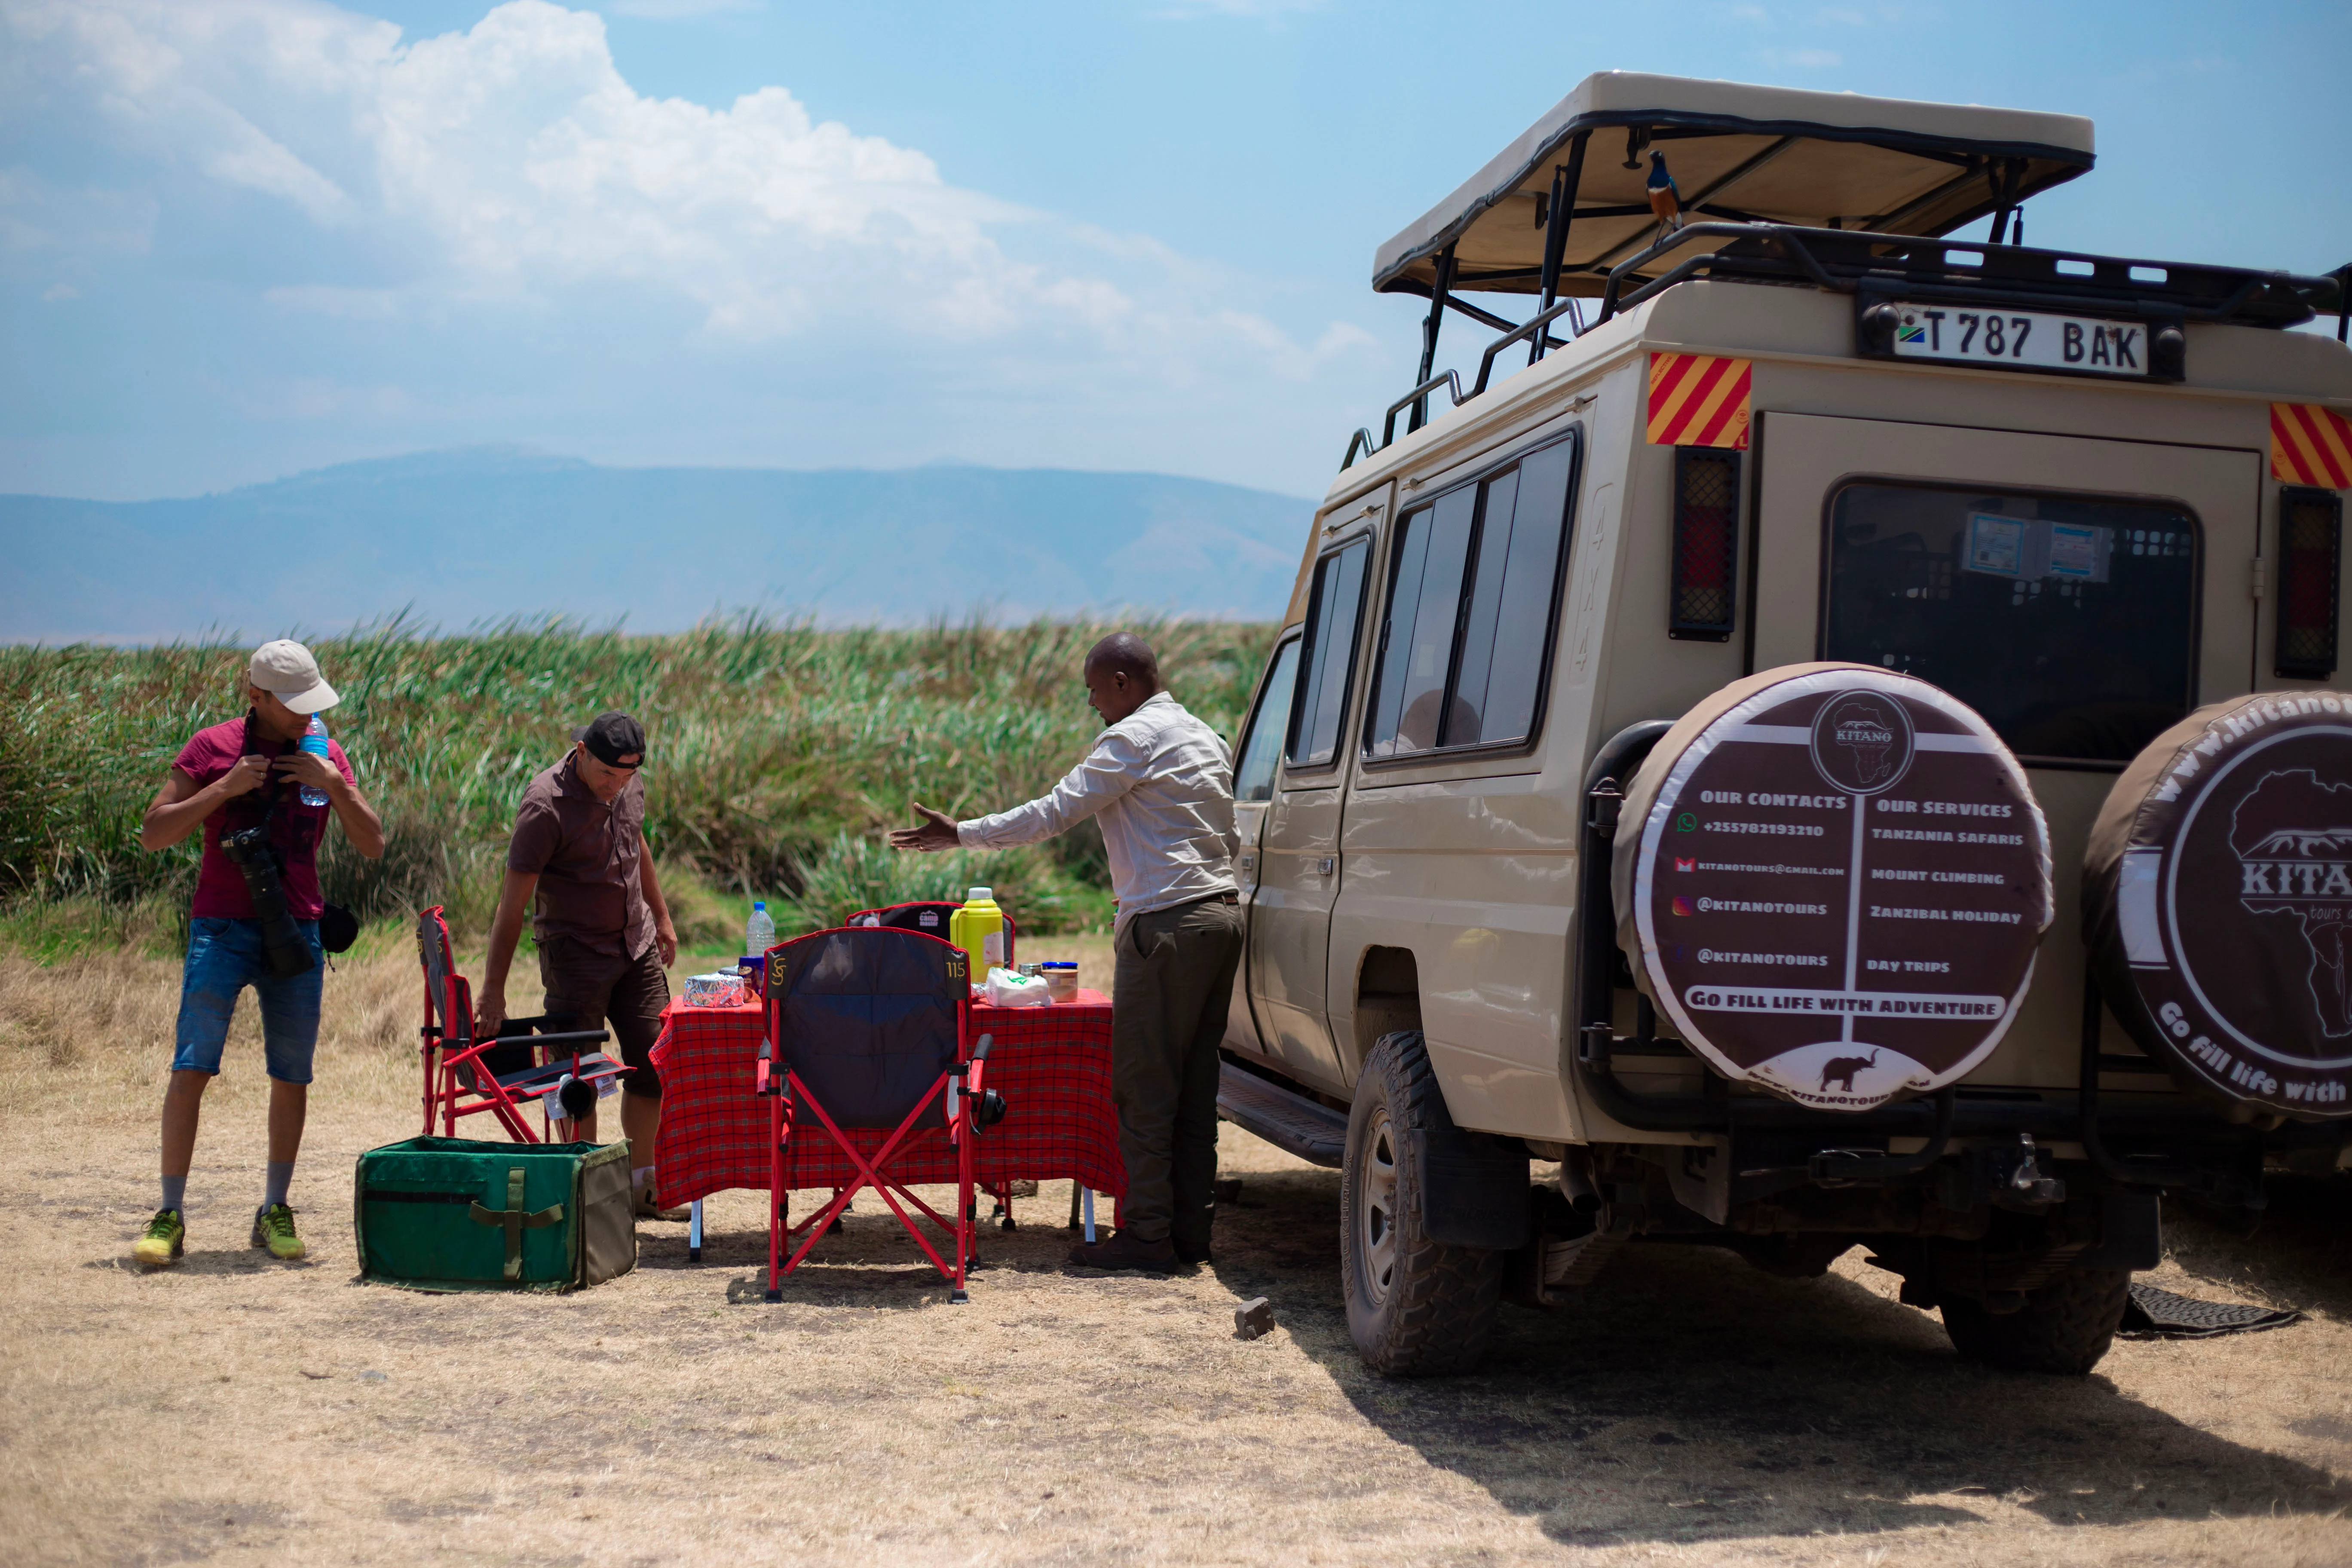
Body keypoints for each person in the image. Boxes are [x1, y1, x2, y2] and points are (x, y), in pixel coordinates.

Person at [891, 632, 1241, 1272]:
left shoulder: (1132, 740)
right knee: (1194, 1086)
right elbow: (1231, 835)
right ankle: (1190, 1233)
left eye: (1093, 688)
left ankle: (1147, 1235)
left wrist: (963, 835)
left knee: (1145, 1086)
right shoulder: (1207, 737)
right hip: (1220, 917)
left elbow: (1055, 812)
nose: (1090, 702)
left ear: (1122, 685)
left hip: (1165, 925)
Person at [133, 640, 386, 1267]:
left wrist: (335, 786)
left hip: (297, 929)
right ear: (255, 695)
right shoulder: (211, 746)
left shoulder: (325, 754)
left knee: (292, 1075)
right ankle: (170, 1213)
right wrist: (222, 789)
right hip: (220, 928)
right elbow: (154, 834)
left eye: (312, 703)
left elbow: (374, 844)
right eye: (293, 705)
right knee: (191, 1067)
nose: (307, 716)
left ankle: (275, 1207)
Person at [474, 711, 683, 1220]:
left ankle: (641, 1184)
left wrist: (661, 916)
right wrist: (493, 993)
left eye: (628, 776)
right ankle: (586, 1197)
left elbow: (637, 844)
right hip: (575, 957)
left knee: (655, 1066)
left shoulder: (627, 787)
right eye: (608, 775)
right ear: (583, 753)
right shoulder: (544, 805)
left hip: (635, 948)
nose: (617, 786)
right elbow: (512, 906)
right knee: (580, 1080)